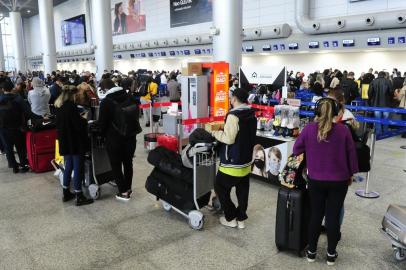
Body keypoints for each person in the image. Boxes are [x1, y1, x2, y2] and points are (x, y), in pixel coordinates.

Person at [293, 98, 358, 266]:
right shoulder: (343, 130)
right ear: (336, 112)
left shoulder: (309, 129)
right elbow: (351, 155)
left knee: (316, 214)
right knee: (333, 216)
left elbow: (296, 149)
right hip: (339, 180)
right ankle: (330, 254)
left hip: (316, 179)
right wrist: (351, 174)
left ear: (317, 112)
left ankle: (312, 252)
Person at [211, 88, 257, 229]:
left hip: (232, 162)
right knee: (242, 190)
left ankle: (230, 218)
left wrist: (214, 133)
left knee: (220, 186)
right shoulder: (251, 114)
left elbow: (229, 139)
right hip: (246, 160)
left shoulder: (233, 116)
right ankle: (241, 218)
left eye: (231, 98)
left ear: (235, 99)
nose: (230, 100)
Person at [97, 78, 141, 201]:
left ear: (105, 89)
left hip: (114, 139)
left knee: (116, 165)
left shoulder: (106, 102)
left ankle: (123, 192)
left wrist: (100, 133)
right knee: (128, 163)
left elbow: (102, 124)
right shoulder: (129, 97)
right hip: (131, 136)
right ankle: (128, 187)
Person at [55, 85, 93, 206]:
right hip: (75, 143)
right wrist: (84, 119)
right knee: (78, 168)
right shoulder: (72, 107)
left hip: (65, 142)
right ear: (73, 95)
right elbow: (77, 125)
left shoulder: (60, 107)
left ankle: (66, 192)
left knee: (68, 167)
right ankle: (79, 195)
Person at [0, 80, 32, 173]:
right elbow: (28, 112)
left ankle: (14, 166)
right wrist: (40, 117)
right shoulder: (18, 98)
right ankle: (23, 165)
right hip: (18, 127)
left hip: (3, 129)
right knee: (21, 147)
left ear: (2, 89)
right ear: (12, 88)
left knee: (8, 148)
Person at [368, 71, 394, 135]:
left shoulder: (373, 81)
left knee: (377, 119)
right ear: (385, 75)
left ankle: (378, 133)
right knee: (386, 118)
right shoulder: (388, 81)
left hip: (376, 103)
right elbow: (391, 92)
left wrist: (370, 100)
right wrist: (390, 100)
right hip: (386, 103)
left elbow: (369, 93)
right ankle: (385, 132)